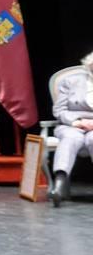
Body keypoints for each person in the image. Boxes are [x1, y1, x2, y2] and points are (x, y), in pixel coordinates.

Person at [50, 51, 93, 207]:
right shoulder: (71, 81)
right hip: (71, 125)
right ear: (89, 66)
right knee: (72, 138)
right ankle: (60, 182)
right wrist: (77, 122)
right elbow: (59, 110)